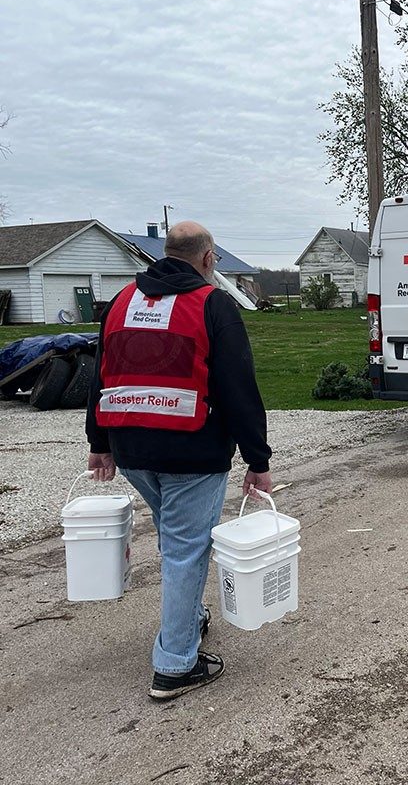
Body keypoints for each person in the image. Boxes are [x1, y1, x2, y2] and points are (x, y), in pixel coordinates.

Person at [85, 221, 272, 701]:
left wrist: (98, 443)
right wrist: (258, 458)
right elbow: (238, 389)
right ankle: (174, 666)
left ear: (165, 254)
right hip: (193, 450)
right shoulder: (213, 304)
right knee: (186, 552)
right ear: (208, 259)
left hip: (131, 448)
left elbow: (99, 375)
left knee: (176, 539)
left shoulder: (122, 302)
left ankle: (186, 620)